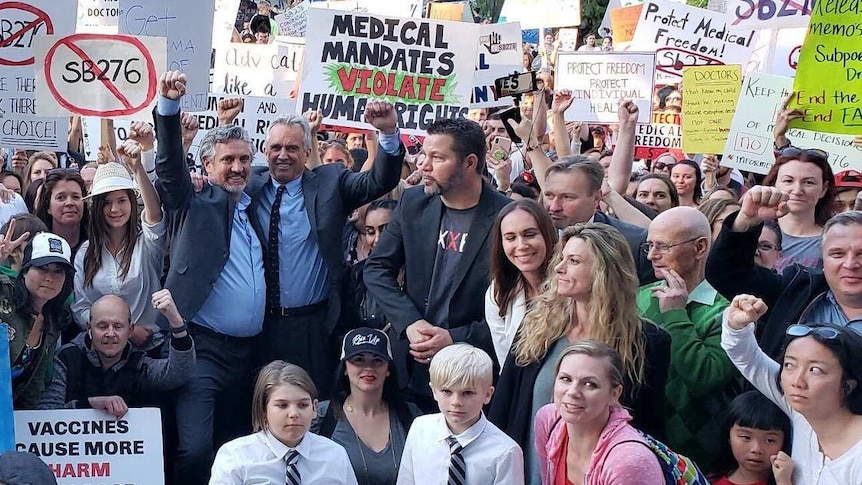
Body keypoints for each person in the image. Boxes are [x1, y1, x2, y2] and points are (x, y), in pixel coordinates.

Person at [154, 71, 270, 485]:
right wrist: (168, 107)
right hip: (201, 349)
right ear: (206, 165)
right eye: (227, 160)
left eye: (244, 159)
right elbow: (168, 168)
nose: (237, 168)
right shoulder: (195, 201)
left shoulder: (258, 205)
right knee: (196, 448)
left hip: (250, 353)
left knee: (237, 444)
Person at [489, 223, 670, 485]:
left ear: (604, 271)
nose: (559, 268)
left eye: (573, 261)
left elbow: (649, 428)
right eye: (561, 259)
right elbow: (505, 402)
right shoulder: (537, 323)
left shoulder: (647, 342)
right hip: (527, 472)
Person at [255, 103, 403, 398]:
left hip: (314, 325)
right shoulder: (249, 184)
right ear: (265, 150)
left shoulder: (331, 181)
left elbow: (380, 181)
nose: (283, 155)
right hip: (259, 327)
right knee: (264, 405)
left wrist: (387, 132)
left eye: (292, 148)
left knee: (314, 406)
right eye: (276, 147)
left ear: (307, 152)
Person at [364, 117, 511, 411]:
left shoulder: (506, 216)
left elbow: (517, 305)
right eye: (424, 154)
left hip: (474, 374)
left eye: (437, 157)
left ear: (470, 163)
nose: (424, 165)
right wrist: (410, 323)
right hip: (413, 368)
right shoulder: (414, 202)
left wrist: (454, 338)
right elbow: (377, 269)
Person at [636, 206, 739, 467]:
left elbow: (703, 378)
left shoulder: (725, 313)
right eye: (649, 245)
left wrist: (676, 315)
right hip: (637, 445)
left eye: (663, 246)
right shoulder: (639, 296)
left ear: (700, 248)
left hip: (695, 458)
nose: (652, 256)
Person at [722, 293, 862, 484]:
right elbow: (748, 359)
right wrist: (737, 325)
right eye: (789, 365)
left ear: (848, 385)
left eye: (815, 370)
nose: (797, 381)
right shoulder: (801, 412)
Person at [706, 192, 862, 358]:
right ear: (822, 258)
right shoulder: (796, 290)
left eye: (861, 254)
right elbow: (726, 272)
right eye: (837, 254)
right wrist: (746, 222)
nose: (850, 264)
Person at [73, 143, 166, 354]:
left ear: (132, 203)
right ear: (97, 207)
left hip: (149, 348)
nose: (115, 209)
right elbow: (80, 307)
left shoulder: (147, 244)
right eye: (106, 203)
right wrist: (123, 331)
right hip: (100, 351)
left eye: (122, 200)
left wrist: (138, 169)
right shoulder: (85, 253)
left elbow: (155, 216)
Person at [38, 291, 194, 415]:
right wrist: (91, 405)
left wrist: (176, 321)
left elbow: (178, 373)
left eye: (118, 326)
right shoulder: (66, 358)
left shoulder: (139, 362)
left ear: (130, 330)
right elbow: (46, 413)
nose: (110, 333)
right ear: (89, 329)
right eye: (102, 326)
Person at [534, 340, 665, 484]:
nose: (573, 392)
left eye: (590, 384)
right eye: (566, 379)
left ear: (614, 394)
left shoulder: (628, 462)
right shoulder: (547, 420)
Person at [210, 361, 359, 484]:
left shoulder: (334, 454)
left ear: (314, 408)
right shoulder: (236, 456)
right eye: (282, 405)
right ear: (263, 409)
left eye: (303, 405)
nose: (294, 414)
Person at [398, 344, 524, 485]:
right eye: (447, 391)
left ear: (487, 395)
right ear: (434, 391)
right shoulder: (420, 429)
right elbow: (406, 480)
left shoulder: (506, 452)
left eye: (467, 393)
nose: (456, 402)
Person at [311, 328, 420, 485]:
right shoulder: (321, 416)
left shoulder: (410, 415)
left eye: (377, 360)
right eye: (359, 360)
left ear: (388, 369)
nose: (368, 368)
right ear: (345, 369)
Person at [486, 199, 558, 367]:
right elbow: (506, 363)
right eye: (511, 238)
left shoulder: (570, 284)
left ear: (547, 234)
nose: (521, 245)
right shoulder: (498, 291)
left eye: (530, 234)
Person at [7, 232, 75, 409]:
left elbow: (34, 384)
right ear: (25, 271)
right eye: (42, 268)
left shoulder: (54, 320)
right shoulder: (4, 295)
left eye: (58, 271)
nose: (49, 277)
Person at [763, 148, 835, 272]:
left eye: (808, 182)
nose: (797, 191)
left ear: (824, 189)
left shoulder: (835, 240)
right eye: (788, 181)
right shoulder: (752, 233)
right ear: (774, 183)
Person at [709, 390, 793, 485]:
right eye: (746, 437)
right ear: (728, 436)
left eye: (770, 440)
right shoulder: (711, 480)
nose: (756, 449)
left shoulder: (792, 479)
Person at [343, 200, 397, 330]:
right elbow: (345, 328)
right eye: (370, 232)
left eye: (385, 230)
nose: (377, 239)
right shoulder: (356, 275)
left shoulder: (421, 271)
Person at [35, 169, 88, 256]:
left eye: (75, 197)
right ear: (48, 206)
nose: (69, 203)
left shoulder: (96, 244)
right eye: (61, 198)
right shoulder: (37, 246)